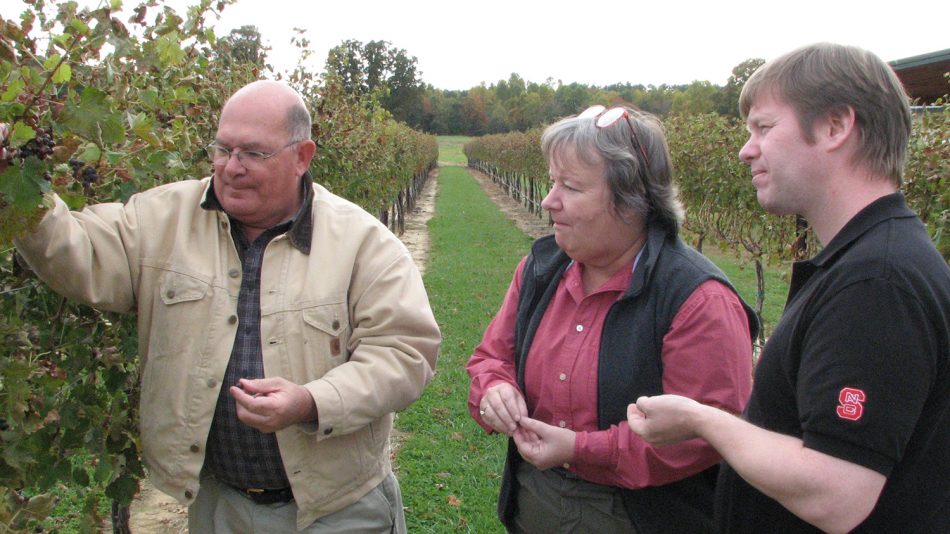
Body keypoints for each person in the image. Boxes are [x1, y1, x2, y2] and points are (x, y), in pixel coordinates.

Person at [8, 80, 441, 532]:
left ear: (302, 157)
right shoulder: (163, 219)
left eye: (254, 153)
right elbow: (76, 252)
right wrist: (15, 181)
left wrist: (311, 401)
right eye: (223, 149)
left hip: (338, 510)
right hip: (218, 506)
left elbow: (404, 354)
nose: (232, 167)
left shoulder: (363, 243)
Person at [627, 43, 950, 533]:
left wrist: (702, 420)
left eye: (765, 127)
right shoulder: (869, 260)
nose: (746, 149)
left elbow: (835, 492)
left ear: (836, 126)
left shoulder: (877, 283)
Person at [466, 104, 759, 533]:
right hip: (536, 505)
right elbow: (492, 356)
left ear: (631, 200)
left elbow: (704, 436)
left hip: (644, 517)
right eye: (552, 181)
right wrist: (493, 389)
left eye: (570, 186)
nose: (549, 201)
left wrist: (578, 449)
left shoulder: (696, 299)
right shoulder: (540, 270)